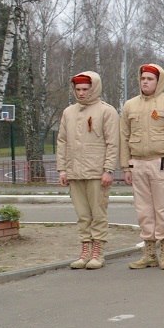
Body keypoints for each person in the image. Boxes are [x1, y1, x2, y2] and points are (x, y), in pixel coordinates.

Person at [120, 63, 164, 270]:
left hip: (162, 162)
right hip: (138, 162)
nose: (145, 82)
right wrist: (125, 166)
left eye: (150, 79)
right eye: (143, 78)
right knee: (143, 210)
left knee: (163, 208)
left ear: (159, 81)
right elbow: (124, 136)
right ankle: (149, 252)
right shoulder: (130, 105)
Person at [56, 72, 119, 270]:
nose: (81, 93)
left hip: (96, 171)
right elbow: (62, 141)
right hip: (75, 171)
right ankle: (85, 251)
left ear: (94, 89)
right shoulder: (69, 112)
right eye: (78, 89)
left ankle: (98, 252)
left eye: (85, 89)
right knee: (82, 214)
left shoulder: (106, 111)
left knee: (98, 213)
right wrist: (62, 169)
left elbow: (112, 143)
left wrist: (108, 169)